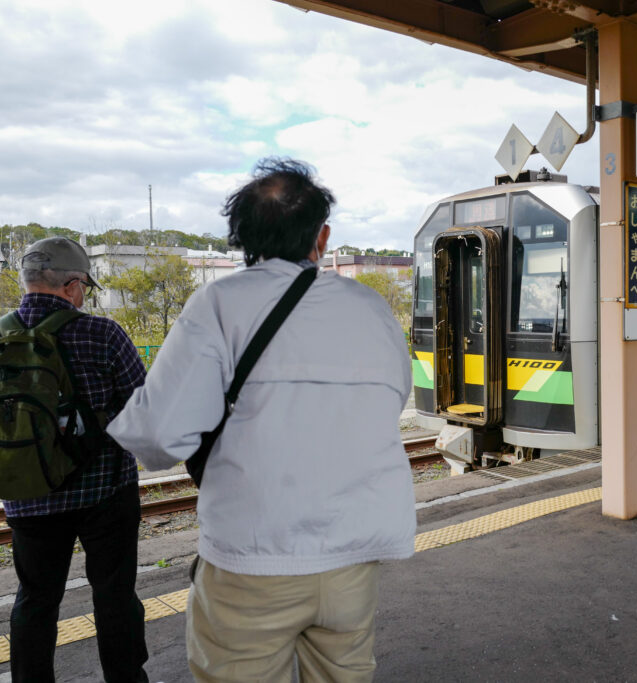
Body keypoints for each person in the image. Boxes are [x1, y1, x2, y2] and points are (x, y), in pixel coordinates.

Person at [108, 158, 416, 682]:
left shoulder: (219, 303)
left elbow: (159, 436)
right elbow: (392, 400)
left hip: (253, 559)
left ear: (241, 237)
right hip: (352, 556)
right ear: (322, 236)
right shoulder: (371, 308)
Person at [4, 237, 149, 682]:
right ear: (70, 286)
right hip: (105, 492)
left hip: (28, 496)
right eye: (84, 284)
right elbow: (144, 405)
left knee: (36, 600)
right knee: (114, 596)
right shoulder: (101, 333)